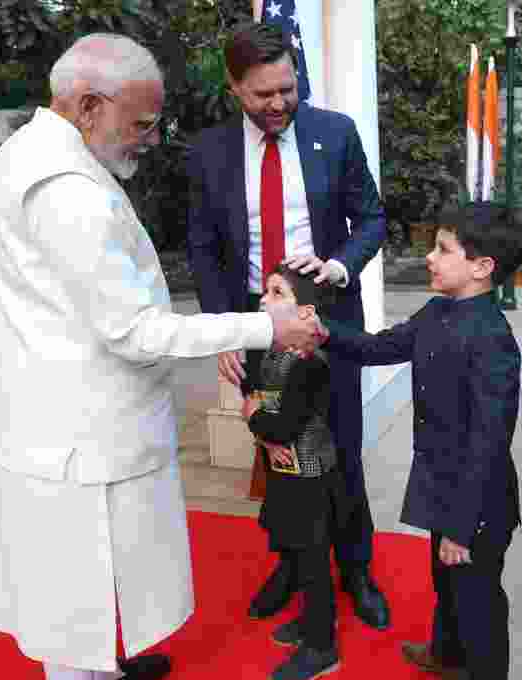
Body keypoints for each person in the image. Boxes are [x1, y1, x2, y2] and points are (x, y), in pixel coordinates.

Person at [0, 33, 326, 680]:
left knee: (80, 567)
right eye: (139, 122)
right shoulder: (66, 191)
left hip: (46, 409)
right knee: (69, 580)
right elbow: (135, 331)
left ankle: (96, 674)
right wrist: (264, 327)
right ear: (88, 105)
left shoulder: (29, 152)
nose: (150, 137)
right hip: (73, 425)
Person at [185, 21, 390, 631]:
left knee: (341, 447)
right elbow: (203, 248)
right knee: (277, 448)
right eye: (263, 94)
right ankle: (295, 565)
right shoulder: (209, 152)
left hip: (329, 323)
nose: (279, 104)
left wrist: (339, 266)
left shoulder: (335, 133)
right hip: (256, 326)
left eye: (288, 89)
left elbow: (372, 220)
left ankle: (356, 568)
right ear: (234, 87)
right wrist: (225, 330)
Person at [321, 202, 522, 680]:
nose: (429, 257)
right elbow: (379, 347)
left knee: (479, 604)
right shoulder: (438, 312)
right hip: (442, 487)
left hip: (477, 503)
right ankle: (449, 657)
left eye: (443, 249)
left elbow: (488, 442)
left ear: (482, 267)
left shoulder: (492, 338)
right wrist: (322, 332)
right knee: (446, 584)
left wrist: (461, 524)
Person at [239, 266, 347, 680]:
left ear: (305, 313)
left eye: (276, 292)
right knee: (299, 552)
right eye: (265, 290)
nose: (263, 298)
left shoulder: (309, 363)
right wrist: (263, 430)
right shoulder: (270, 349)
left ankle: (322, 645)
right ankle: (310, 620)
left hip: (310, 476)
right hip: (285, 471)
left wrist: (254, 418)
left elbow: (283, 426)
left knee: (314, 558)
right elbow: (257, 396)